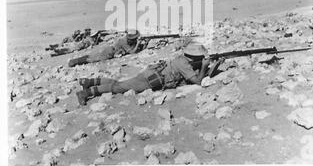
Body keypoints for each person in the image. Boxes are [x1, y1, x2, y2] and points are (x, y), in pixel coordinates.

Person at [76, 44, 224, 106]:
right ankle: (85, 92)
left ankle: (89, 82)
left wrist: (216, 65)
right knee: (119, 87)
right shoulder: (183, 64)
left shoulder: (184, 60)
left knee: (122, 83)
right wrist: (205, 66)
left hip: (151, 73)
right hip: (150, 79)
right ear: (195, 57)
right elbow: (198, 81)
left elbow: (201, 76)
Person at [68, 29, 147, 67]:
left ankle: (75, 61)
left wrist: (145, 43)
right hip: (108, 52)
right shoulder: (124, 41)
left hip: (109, 50)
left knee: (91, 56)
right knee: (91, 58)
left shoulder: (128, 40)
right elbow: (132, 52)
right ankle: (74, 62)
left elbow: (135, 48)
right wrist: (138, 43)